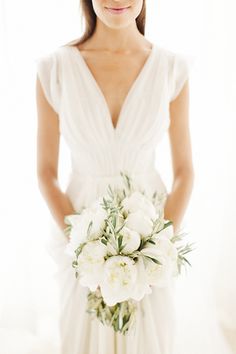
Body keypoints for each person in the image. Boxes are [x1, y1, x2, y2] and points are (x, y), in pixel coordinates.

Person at [36, 1, 194, 353]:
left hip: (151, 226)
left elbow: (184, 172)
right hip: (77, 232)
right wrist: (83, 250)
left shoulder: (171, 68)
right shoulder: (55, 69)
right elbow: (46, 173)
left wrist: (157, 250)